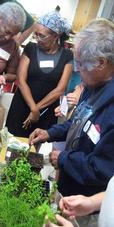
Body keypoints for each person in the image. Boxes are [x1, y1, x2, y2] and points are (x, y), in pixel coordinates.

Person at [29, 18, 114, 199]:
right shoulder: (94, 85)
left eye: (81, 64)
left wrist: (64, 159)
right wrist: (50, 133)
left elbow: (104, 170)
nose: (77, 69)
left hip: (88, 203)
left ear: (101, 63)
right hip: (69, 188)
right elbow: (79, 122)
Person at [6, 11, 73, 137]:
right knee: (12, 142)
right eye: (35, 34)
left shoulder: (67, 56)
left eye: (41, 36)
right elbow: (21, 80)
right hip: (22, 105)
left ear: (56, 35)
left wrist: (38, 109)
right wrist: (34, 108)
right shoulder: (31, 48)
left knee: (35, 149)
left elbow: (60, 89)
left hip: (46, 110)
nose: (37, 39)